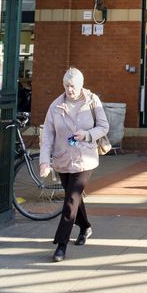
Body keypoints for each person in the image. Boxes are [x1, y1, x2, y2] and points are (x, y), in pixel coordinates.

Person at [39, 66, 109, 263]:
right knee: (75, 198)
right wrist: (45, 162)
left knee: (70, 200)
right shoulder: (55, 106)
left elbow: (104, 127)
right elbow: (47, 137)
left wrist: (87, 135)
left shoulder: (92, 101)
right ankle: (85, 227)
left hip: (85, 158)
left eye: (73, 86)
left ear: (81, 85)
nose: (69, 89)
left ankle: (61, 245)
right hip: (63, 158)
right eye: (66, 86)